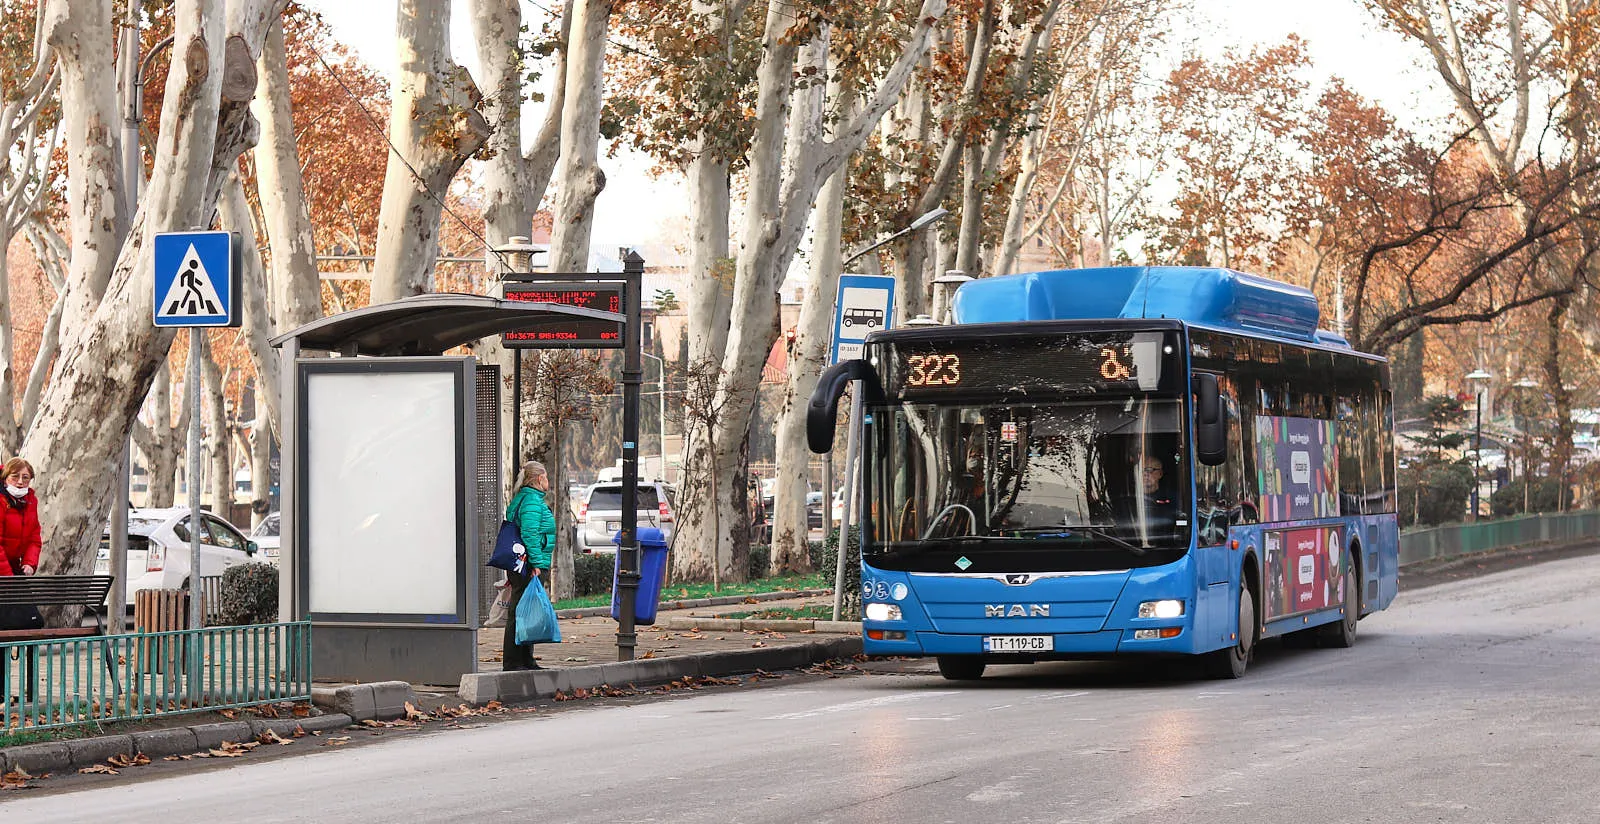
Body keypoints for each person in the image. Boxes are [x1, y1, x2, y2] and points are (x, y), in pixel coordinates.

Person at [503, 461, 556, 671]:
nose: (548, 481)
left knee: (526, 610)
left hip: (524, 563)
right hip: (529, 564)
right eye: (546, 477)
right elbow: (529, 534)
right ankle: (514, 662)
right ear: (538, 478)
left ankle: (525, 659)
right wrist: (536, 563)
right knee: (520, 612)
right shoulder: (532, 501)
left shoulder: (527, 498)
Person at [2, 457, 42, 577]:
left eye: (25, 478)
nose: (20, 482)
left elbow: (34, 538)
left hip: (14, 566)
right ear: (5, 479)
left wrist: (29, 563)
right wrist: (7, 577)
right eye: (15, 476)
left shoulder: (30, 501)